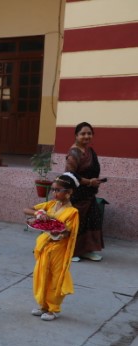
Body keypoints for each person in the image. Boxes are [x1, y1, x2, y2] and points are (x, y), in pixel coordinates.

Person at [23, 173, 80, 321]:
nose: (54, 193)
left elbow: (68, 233)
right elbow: (26, 209)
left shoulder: (72, 212)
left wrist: (57, 231)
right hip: (45, 247)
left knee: (56, 279)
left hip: (58, 249)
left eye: (58, 190)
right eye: (53, 189)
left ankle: (54, 309)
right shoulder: (50, 205)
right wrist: (38, 213)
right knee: (42, 275)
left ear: (69, 192)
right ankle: (43, 305)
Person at [65, 122, 104, 262]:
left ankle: (86, 250)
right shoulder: (74, 153)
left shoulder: (89, 151)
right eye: (83, 134)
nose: (86, 136)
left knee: (91, 221)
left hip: (89, 195)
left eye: (89, 133)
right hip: (77, 195)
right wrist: (89, 182)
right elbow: (70, 175)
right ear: (76, 135)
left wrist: (95, 182)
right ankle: (71, 251)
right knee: (77, 223)